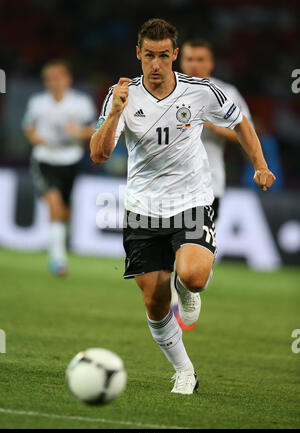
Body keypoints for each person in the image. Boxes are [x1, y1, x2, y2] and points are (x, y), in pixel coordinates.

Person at [90, 18, 275, 395]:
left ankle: (186, 284)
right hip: (142, 208)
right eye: (148, 56)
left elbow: (242, 123)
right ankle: (184, 370)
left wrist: (260, 165)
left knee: (193, 276)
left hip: (190, 199)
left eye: (163, 56)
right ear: (137, 55)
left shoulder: (201, 92)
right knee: (154, 301)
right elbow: (99, 153)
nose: (155, 65)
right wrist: (114, 114)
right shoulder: (121, 94)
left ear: (174, 55)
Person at [23, 60, 96, 275]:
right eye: (49, 79)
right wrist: (35, 138)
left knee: (65, 210)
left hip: (71, 159)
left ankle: (59, 246)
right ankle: (58, 259)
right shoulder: (38, 102)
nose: (53, 83)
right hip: (45, 159)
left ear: (67, 79)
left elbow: (96, 127)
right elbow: (28, 126)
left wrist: (79, 133)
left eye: (57, 78)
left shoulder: (80, 103)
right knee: (54, 204)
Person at [180, 38, 253, 220]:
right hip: (166, 184)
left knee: (197, 246)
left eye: (200, 59)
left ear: (211, 63)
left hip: (208, 184)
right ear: (181, 62)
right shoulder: (168, 90)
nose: (194, 65)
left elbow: (249, 133)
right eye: (189, 59)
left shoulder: (227, 93)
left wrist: (213, 125)